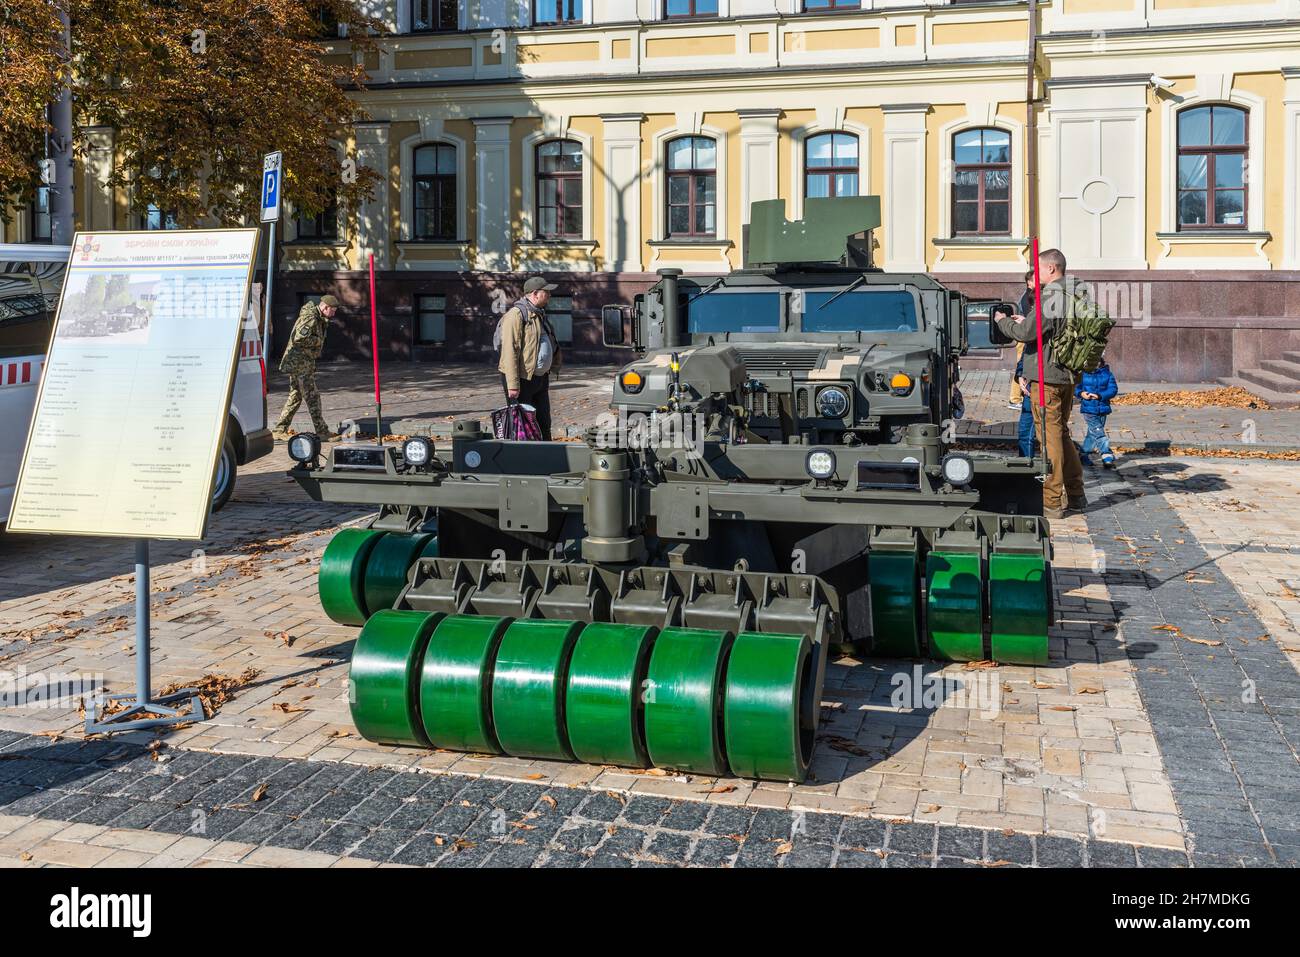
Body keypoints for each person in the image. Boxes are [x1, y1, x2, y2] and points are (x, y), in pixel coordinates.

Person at [994, 248, 1086, 519]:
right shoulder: (1075, 291)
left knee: (1049, 439)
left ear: (1051, 269)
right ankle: (1077, 494)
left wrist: (1003, 322)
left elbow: (1025, 332)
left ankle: (1052, 500)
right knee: (1062, 434)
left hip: (1049, 377)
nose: (1037, 273)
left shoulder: (1052, 295)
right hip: (1067, 374)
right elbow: (1050, 330)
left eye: (1040, 268)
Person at [497, 275, 560, 440]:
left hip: (539, 378)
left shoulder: (539, 314)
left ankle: (546, 456)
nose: (550, 295)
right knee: (523, 426)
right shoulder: (516, 315)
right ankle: (523, 459)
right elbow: (509, 352)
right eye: (547, 292)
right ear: (534, 294)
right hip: (522, 379)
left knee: (544, 422)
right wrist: (513, 385)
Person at [273, 294, 340, 440]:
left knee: (296, 396)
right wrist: (318, 341)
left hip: (301, 362)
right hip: (300, 363)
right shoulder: (311, 318)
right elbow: (299, 338)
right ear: (325, 307)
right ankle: (322, 432)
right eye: (333, 310)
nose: (334, 314)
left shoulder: (317, 317)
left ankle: (279, 429)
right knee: (312, 396)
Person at [1076, 357, 1119, 468]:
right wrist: (1081, 393)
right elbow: (1076, 387)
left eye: (1096, 362)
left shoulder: (1107, 374)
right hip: (1088, 409)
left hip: (1103, 408)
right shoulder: (1082, 373)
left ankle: (1083, 455)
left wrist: (1100, 395)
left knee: (1092, 434)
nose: (1094, 364)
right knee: (1098, 432)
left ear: (1101, 362)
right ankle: (1106, 453)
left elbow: (1113, 390)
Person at [1007, 269, 1035, 410]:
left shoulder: (1029, 295)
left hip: (1024, 336)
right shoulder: (1028, 296)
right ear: (1029, 282)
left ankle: (1018, 397)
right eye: (1035, 279)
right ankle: (1014, 399)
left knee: (1022, 366)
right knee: (1021, 367)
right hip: (1024, 337)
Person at [1014, 356, 1038, 459]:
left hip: (1048, 387)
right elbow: (1025, 355)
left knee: (1053, 435)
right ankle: (1026, 467)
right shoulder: (1032, 340)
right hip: (1031, 389)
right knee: (1025, 432)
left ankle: (1056, 472)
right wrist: (1020, 374)